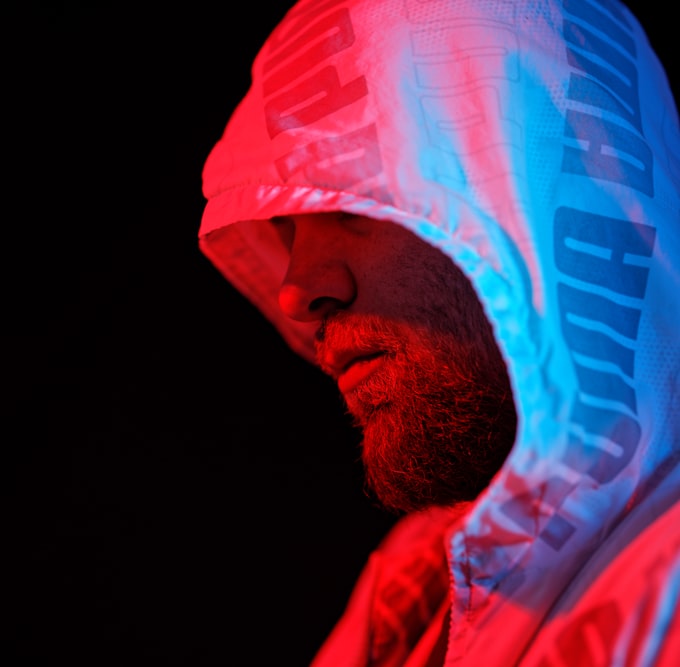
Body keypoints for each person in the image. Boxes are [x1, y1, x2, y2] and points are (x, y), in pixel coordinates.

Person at [198, 0, 680, 665]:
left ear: (532, 186)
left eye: (348, 201)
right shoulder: (412, 591)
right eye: (286, 233)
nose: (297, 291)